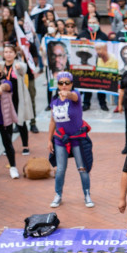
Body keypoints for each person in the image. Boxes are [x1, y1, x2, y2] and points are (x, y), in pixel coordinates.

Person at [48, 72, 94, 208]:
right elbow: (52, 121)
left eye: (67, 83)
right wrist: (49, 140)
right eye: (61, 83)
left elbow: (72, 96)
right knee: (60, 169)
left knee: (82, 168)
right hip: (60, 139)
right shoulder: (54, 101)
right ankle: (58, 195)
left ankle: (87, 194)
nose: (64, 85)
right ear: (57, 84)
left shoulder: (76, 96)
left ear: (71, 84)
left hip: (77, 139)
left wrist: (67, 94)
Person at [2, 44, 33, 155]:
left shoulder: (19, 65)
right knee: (7, 124)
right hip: (5, 100)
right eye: (6, 52)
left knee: (21, 123)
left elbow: (23, 69)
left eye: (10, 52)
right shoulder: (1, 66)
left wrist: (20, 68)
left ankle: (25, 146)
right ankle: (8, 146)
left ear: (15, 54)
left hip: (18, 98)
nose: (8, 54)